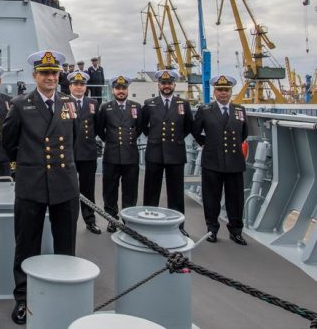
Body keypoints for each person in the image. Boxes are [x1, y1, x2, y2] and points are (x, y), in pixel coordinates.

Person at [2, 50, 80, 325]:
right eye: (44, 73)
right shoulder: (21, 104)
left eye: (54, 73)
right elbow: (8, 142)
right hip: (31, 183)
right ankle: (23, 299)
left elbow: (75, 138)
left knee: (66, 244)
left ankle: (65, 291)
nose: (50, 77)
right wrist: (27, 165)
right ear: (35, 76)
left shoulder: (70, 103)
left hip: (65, 184)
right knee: (27, 245)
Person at [191, 75, 249, 245]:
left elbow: (244, 133)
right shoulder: (205, 110)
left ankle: (236, 231)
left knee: (235, 199)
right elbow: (196, 131)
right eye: (220, 90)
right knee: (211, 198)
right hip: (212, 161)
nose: (223, 93)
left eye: (226, 90)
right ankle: (212, 230)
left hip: (234, 161)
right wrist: (206, 144)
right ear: (214, 92)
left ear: (231, 92)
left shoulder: (240, 110)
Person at [141, 70, 193, 236]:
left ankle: (177, 226)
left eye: (169, 83)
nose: (166, 86)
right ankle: (148, 222)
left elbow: (188, 126)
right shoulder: (149, 103)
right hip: (155, 151)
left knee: (176, 192)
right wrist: (155, 137)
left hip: (175, 152)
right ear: (158, 85)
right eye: (163, 83)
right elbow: (143, 126)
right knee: (151, 191)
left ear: (174, 85)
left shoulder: (183, 104)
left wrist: (176, 139)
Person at [96, 75, 143, 233]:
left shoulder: (136, 107)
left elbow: (140, 128)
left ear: (127, 90)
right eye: (118, 88)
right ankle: (111, 219)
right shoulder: (105, 107)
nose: (121, 91)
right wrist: (111, 140)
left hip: (130, 155)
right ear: (113, 90)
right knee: (110, 190)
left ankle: (128, 220)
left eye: (123, 88)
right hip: (112, 155)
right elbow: (99, 128)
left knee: (130, 191)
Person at [67, 70, 101, 234]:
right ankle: (69, 220)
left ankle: (90, 220)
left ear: (85, 86)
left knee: (88, 189)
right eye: (76, 84)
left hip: (88, 153)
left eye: (82, 84)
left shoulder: (93, 103)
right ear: (70, 86)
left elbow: (98, 127)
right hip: (68, 154)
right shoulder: (64, 102)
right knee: (69, 189)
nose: (79, 87)